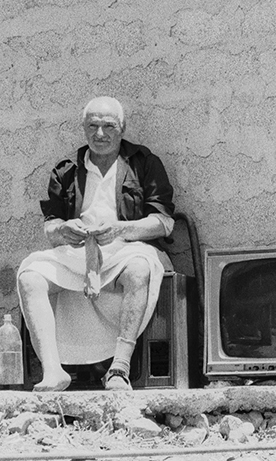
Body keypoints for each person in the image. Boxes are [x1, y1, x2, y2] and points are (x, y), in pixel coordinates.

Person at [16, 96, 175, 392]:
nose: (100, 134)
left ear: (122, 129)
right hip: (77, 253)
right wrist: (63, 229)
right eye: (93, 126)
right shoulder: (66, 170)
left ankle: (119, 369)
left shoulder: (143, 164)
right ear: (83, 128)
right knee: (30, 276)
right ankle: (53, 371)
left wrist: (120, 229)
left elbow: (164, 222)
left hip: (125, 247)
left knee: (140, 268)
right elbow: (50, 227)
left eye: (108, 126)